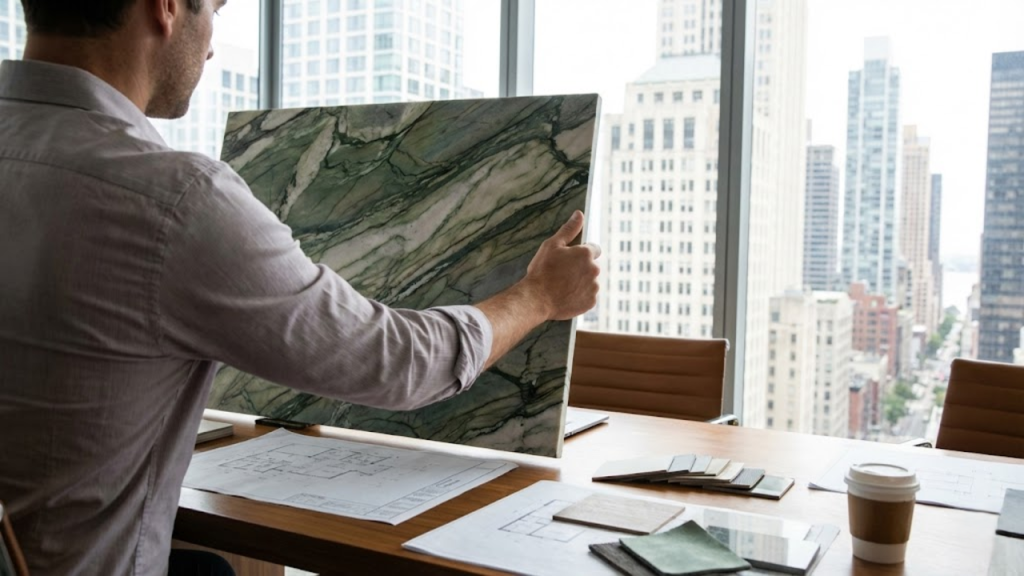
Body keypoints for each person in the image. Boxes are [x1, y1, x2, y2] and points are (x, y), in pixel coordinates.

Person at [0, 0, 601, 574]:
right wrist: (539, 297)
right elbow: (395, 361)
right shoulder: (171, 200)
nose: (211, 46)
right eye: (215, 10)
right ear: (164, 8)